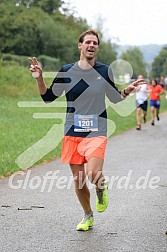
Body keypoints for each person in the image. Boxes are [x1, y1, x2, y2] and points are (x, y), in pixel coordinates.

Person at [29, 29, 145, 231]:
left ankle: (101, 188)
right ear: (80, 46)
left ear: (97, 48)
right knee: (79, 179)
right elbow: (48, 97)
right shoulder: (66, 71)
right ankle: (87, 215)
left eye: (95, 43)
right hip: (72, 131)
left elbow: (115, 98)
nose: (92, 45)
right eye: (88, 42)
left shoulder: (104, 71)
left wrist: (127, 89)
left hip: (96, 130)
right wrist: (39, 77)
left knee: (93, 173)